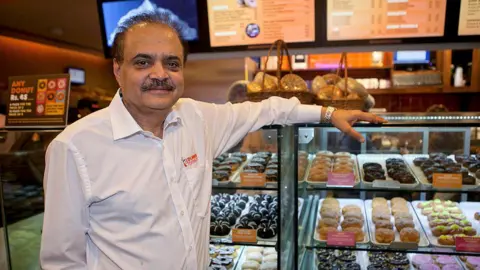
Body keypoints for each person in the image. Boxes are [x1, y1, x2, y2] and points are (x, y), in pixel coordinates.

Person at [39, 11, 386, 270]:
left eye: (172, 63)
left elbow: (265, 110)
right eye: (143, 62)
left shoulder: (197, 119)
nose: (160, 74)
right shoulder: (75, 147)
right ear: (118, 69)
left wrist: (326, 114)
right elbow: (61, 260)